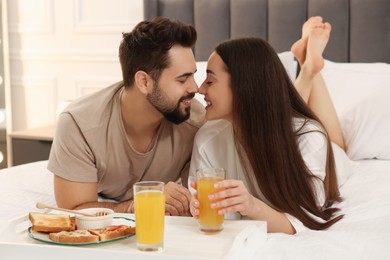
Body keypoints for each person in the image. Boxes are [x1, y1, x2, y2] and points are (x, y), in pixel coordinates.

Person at [189, 17, 349, 234]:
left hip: (332, 160)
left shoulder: (309, 138)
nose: (199, 89)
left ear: (243, 85)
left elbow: (305, 219)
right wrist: (194, 206)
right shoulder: (207, 138)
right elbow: (213, 213)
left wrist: (251, 205)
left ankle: (311, 67)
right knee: (278, 118)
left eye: (210, 81)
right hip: (275, 124)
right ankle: (308, 65)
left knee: (337, 144)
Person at [47, 17, 205, 216]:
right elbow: (74, 211)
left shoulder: (196, 122)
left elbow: (199, 204)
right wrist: (138, 204)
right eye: (183, 79)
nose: (195, 88)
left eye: (193, 75)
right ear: (144, 82)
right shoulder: (79, 124)